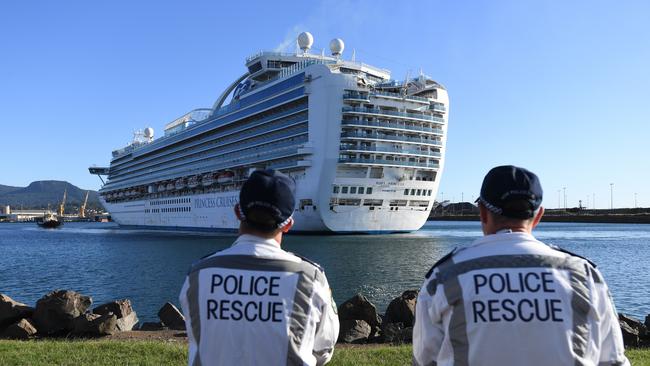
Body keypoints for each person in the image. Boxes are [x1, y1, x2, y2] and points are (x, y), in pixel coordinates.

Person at [413, 165, 629, 366]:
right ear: (538, 216)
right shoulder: (583, 275)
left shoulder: (445, 276)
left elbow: (425, 360)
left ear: (482, 212)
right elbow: (612, 360)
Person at [179, 169, 339, 366]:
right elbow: (323, 348)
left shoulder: (198, 275)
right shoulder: (311, 278)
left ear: (238, 212)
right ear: (288, 224)